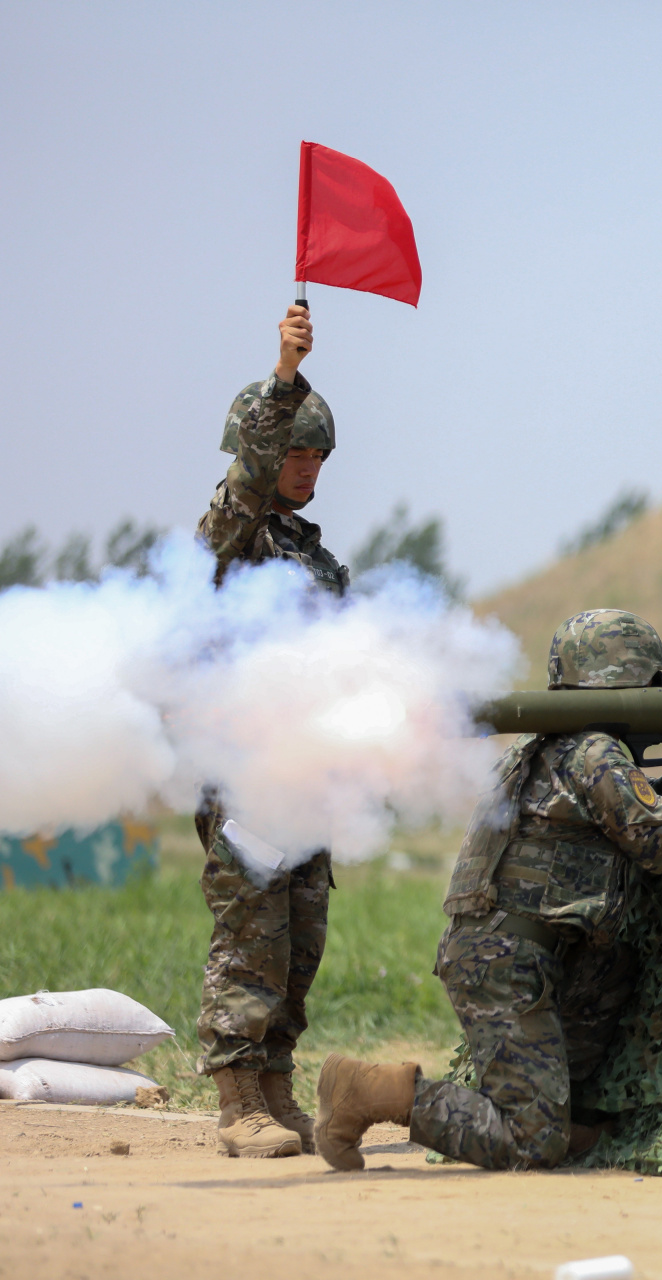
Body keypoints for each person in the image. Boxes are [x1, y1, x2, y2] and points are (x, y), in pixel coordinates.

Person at [312, 609, 662, 1171]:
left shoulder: (557, 747)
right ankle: (369, 1090)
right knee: (533, 1142)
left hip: (533, 954)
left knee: (616, 971)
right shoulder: (593, 754)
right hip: (507, 962)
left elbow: (634, 804)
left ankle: (564, 1111)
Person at [192, 304, 347, 1157]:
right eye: (294, 451)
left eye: (318, 456)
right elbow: (245, 483)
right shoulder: (234, 535)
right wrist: (284, 377)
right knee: (250, 934)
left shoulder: (316, 558)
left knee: (300, 937)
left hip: (306, 775)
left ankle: (279, 1086)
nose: (306, 468)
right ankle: (237, 1101)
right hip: (246, 771)